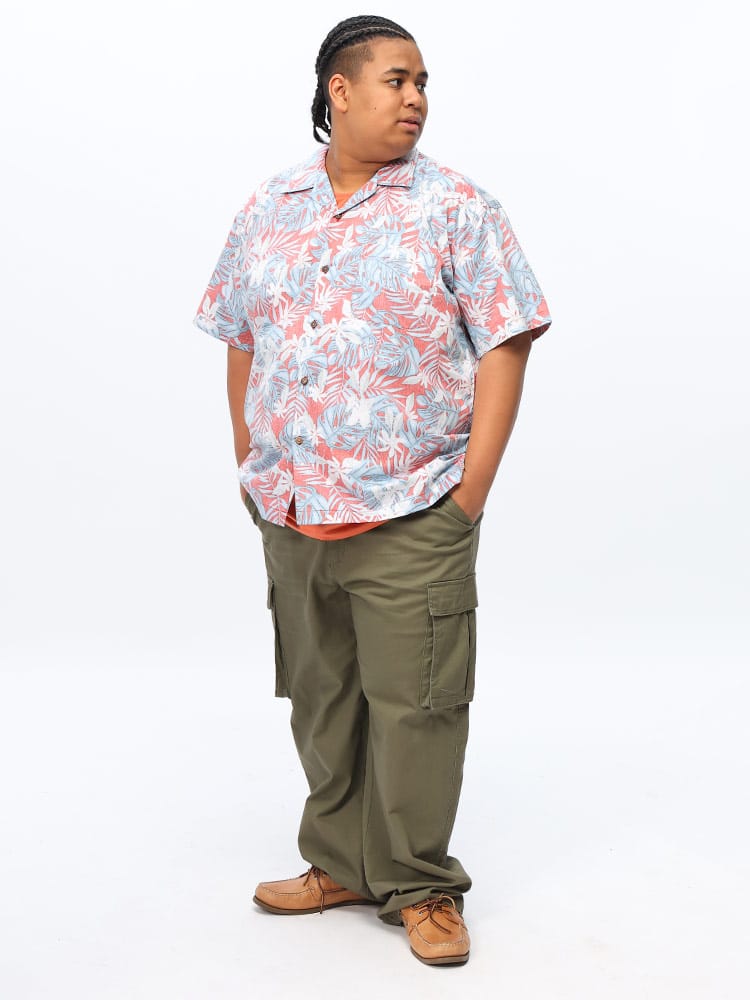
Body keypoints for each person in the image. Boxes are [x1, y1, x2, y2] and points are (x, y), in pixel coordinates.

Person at [194, 13, 551, 967]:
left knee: (419, 705)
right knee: (321, 698)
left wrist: (468, 496)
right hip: (293, 507)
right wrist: (250, 458)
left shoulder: (457, 206)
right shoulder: (270, 205)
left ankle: (422, 885)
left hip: (414, 506)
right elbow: (240, 332)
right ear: (339, 91)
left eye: (423, 82)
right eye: (398, 79)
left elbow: (506, 343)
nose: (416, 98)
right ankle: (341, 863)